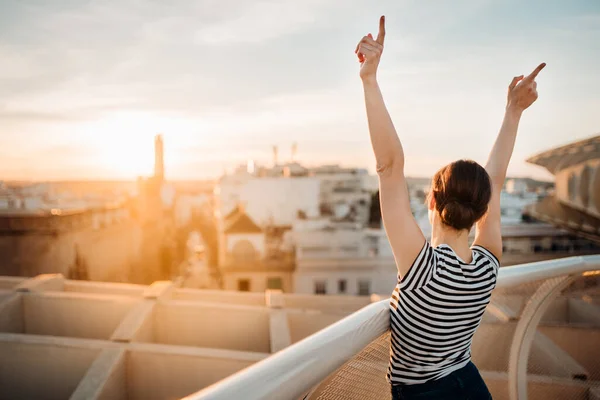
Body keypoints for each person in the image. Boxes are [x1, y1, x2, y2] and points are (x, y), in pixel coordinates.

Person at [355, 15, 545, 400]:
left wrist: (369, 80)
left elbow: (389, 167)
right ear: (481, 211)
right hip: (471, 385)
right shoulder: (486, 268)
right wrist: (513, 112)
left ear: (432, 202)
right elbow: (494, 182)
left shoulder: (422, 269)